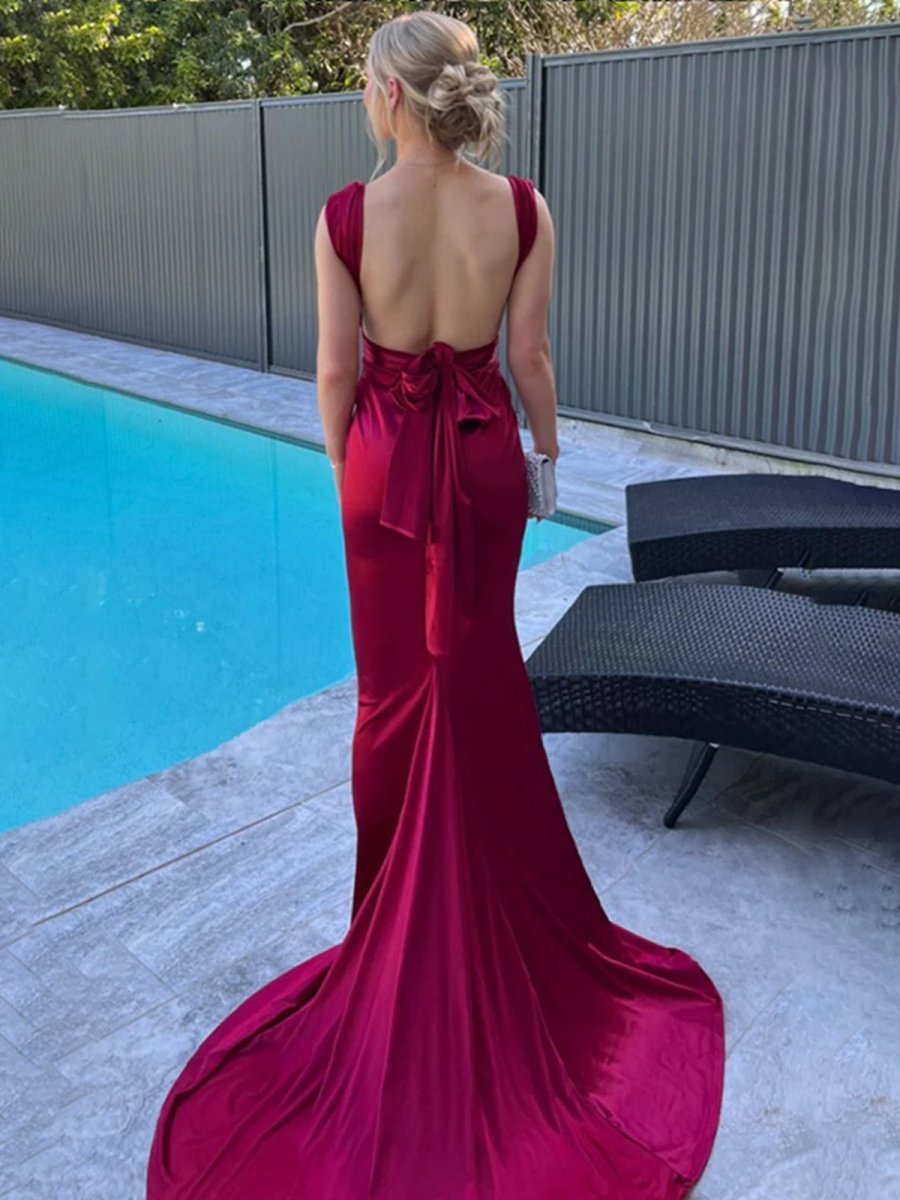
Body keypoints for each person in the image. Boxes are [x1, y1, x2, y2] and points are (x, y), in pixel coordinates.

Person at [145, 11, 725, 1200]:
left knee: (391, 700)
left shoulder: (345, 217)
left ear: (388, 96)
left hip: (382, 471)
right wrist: (549, 461)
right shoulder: (523, 208)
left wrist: (346, 469)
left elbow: (334, 370)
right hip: (484, 461)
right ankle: (480, 921)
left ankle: (391, 931)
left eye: (366, 82)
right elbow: (531, 357)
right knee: (476, 675)